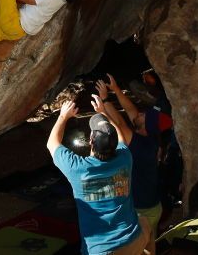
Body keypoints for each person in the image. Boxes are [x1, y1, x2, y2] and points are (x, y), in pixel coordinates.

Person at [47, 98, 154, 255]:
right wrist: (104, 112)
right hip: (134, 240)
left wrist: (63, 116)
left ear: (91, 140)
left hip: (102, 251)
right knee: (145, 222)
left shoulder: (77, 168)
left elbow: (51, 143)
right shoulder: (125, 158)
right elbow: (121, 136)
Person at [97, 74, 172, 239]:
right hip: (149, 206)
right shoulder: (148, 135)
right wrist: (115, 89)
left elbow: (119, 125)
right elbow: (131, 110)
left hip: (143, 211)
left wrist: (104, 105)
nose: (140, 114)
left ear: (146, 126)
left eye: (143, 116)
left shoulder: (142, 146)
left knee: (138, 248)